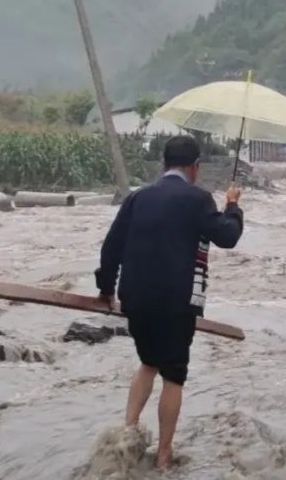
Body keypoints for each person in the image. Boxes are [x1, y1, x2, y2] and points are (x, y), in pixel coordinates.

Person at [94, 134, 243, 468]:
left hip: (136, 298)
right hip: (177, 302)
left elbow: (111, 247)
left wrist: (107, 289)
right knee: (173, 374)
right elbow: (227, 236)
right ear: (195, 167)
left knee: (148, 362)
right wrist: (233, 206)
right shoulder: (198, 199)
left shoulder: (138, 198)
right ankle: (163, 455)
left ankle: (127, 435)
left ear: (164, 164)